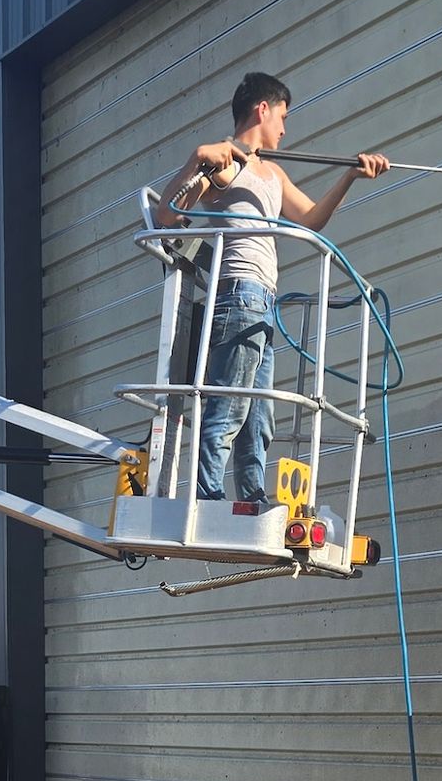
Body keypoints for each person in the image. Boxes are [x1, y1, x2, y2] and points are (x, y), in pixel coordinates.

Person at [157, 72, 386, 506]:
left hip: (263, 300)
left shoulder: (273, 173)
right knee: (232, 406)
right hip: (238, 294)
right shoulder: (226, 163)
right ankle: (208, 496)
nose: (285, 128)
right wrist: (195, 162)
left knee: (259, 415)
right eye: (283, 116)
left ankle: (251, 496)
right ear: (262, 109)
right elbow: (168, 216)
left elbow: (312, 219)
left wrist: (352, 177)